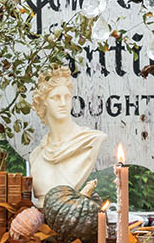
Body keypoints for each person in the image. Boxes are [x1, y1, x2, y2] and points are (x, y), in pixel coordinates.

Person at [28, 67, 106, 201]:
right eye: (56, 98)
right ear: (44, 101)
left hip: (70, 215)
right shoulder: (36, 155)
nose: (63, 103)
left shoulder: (90, 141)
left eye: (67, 97)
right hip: (42, 218)